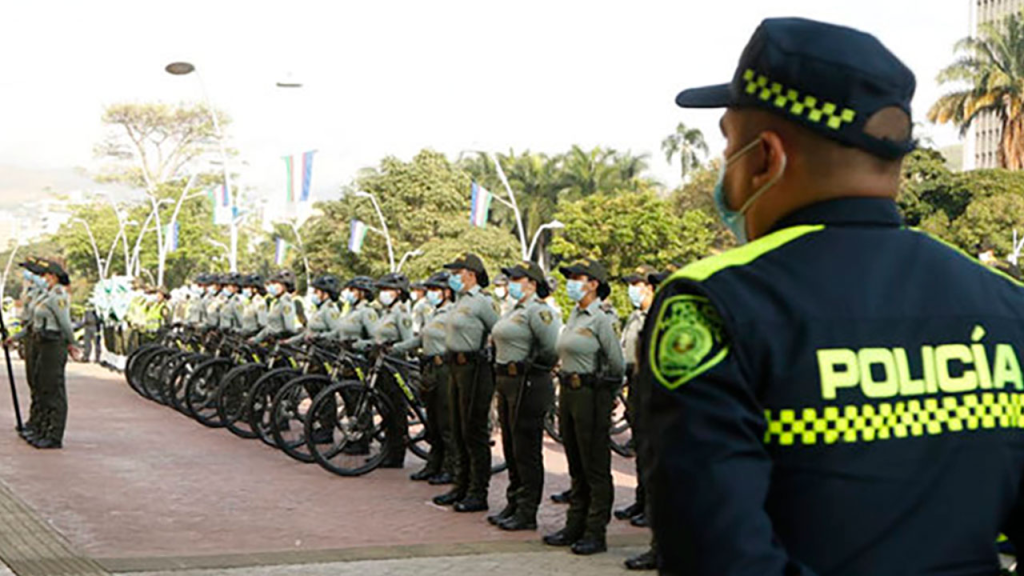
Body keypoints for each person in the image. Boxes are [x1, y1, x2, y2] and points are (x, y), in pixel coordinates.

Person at [635, 17, 1024, 575]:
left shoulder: (714, 304)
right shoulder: (1005, 305)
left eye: (728, 142)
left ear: (766, 157)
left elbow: (716, 555)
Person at [544, 258, 624, 555]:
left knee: (595, 466)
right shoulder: (576, 317)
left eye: (578, 278)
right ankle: (574, 524)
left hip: (591, 394)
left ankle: (595, 531)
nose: (572, 283)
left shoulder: (600, 319)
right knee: (576, 463)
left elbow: (616, 363)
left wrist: (608, 394)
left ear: (593, 284)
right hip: (568, 392)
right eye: (571, 278)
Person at [488, 260, 561, 531]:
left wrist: (532, 364)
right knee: (511, 445)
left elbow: (552, 348)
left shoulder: (540, 311)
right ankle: (514, 502)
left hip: (528, 382)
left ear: (531, 283)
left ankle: (527, 510)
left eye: (517, 279)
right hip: (507, 381)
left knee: (526, 449)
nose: (511, 283)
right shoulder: (512, 309)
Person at [433, 253, 500, 513]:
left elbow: (499, 330)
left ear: (470, 274)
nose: (452, 277)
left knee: (474, 432)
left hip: (474, 368)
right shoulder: (460, 301)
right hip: (455, 368)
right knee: (458, 428)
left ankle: (477, 491)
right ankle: (460, 485)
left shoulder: (482, 302)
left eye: (456, 272)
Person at [615, 265, 659, 571]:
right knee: (642, 451)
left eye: (639, 283)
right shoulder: (636, 317)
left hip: (653, 388)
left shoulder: (661, 317)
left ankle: (659, 535)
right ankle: (641, 502)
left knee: (655, 458)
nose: (635, 288)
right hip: (636, 381)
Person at [396, 272, 456, 485]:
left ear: (447, 292)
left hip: (445, 369)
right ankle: (433, 464)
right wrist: (395, 348)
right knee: (433, 421)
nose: (430, 293)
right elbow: (419, 339)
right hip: (429, 368)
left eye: (434, 290)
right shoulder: (434, 312)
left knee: (446, 421)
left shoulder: (453, 313)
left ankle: (451, 468)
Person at [10, 260, 78, 449]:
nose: (42, 279)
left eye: (44, 276)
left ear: (54, 277)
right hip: (42, 342)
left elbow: (65, 323)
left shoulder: (57, 296)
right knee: (42, 387)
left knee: (53, 389)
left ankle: (54, 434)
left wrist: (73, 344)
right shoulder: (44, 296)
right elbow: (33, 323)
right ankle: (42, 428)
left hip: (54, 344)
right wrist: (15, 337)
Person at [359, 273, 414, 468]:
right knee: (386, 411)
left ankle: (396, 454)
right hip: (382, 364)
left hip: (395, 366)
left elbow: (409, 341)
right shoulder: (386, 313)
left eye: (386, 290)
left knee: (396, 411)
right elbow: (377, 339)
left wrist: (393, 348)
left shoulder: (402, 313)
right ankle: (387, 450)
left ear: (398, 292)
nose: (382, 294)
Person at [285, 275, 343, 345]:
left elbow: (337, 333)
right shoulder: (319, 310)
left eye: (316, 292)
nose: (313, 294)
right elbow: (307, 334)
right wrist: (288, 342)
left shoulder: (330, 310)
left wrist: (319, 337)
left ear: (325, 294)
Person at [249, 271, 298, 345]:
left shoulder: (286, 302)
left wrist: (278, 336)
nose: (272, 286)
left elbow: (289, 328)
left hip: (281, 344)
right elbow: (270, 327)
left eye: (275, 283)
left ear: (284, 286)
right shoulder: (277, 302)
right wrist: (257, 339)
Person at [330, 276, 379, 344]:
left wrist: (357, 344)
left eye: (352, 290)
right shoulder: (351, 311)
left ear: (362, 293)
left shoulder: (367, 312)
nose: (348, 292)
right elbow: (338, 332)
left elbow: (376, 340)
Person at [239, 274, 269, 338]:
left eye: (247, 287)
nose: (244, 290)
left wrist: (256, 338)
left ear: (255, 289)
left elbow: (263, 324)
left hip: (253, 337)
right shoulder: (249, 302)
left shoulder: (259, 301)